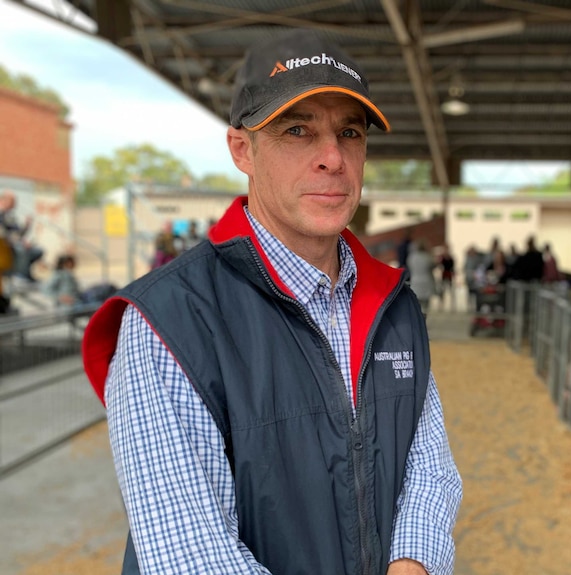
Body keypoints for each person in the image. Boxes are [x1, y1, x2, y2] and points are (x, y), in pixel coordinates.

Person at [81, 29, 462, 575]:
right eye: (297, 130)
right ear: (243, 149)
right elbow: (191, 556)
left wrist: (413, 564)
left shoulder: (392, 306)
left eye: (349, 132)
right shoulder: (167, 323)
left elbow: (430, 468)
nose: (332, 158)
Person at [406, 239, 436, 315]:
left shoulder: (412, 257)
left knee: (417, 304)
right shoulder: (428, 257)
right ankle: (424, 318)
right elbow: (433, 266)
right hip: (426, 281)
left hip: (415, 281)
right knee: (425, 304)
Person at [437, 244, 456, 311]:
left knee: (451, 291)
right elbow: (439, 265)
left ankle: (452, 306)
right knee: (442, 291)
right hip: (444, 275)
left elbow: (453, 267)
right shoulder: (442, 258)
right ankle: (441, 306)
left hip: (449, 275)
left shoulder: (450, 258)